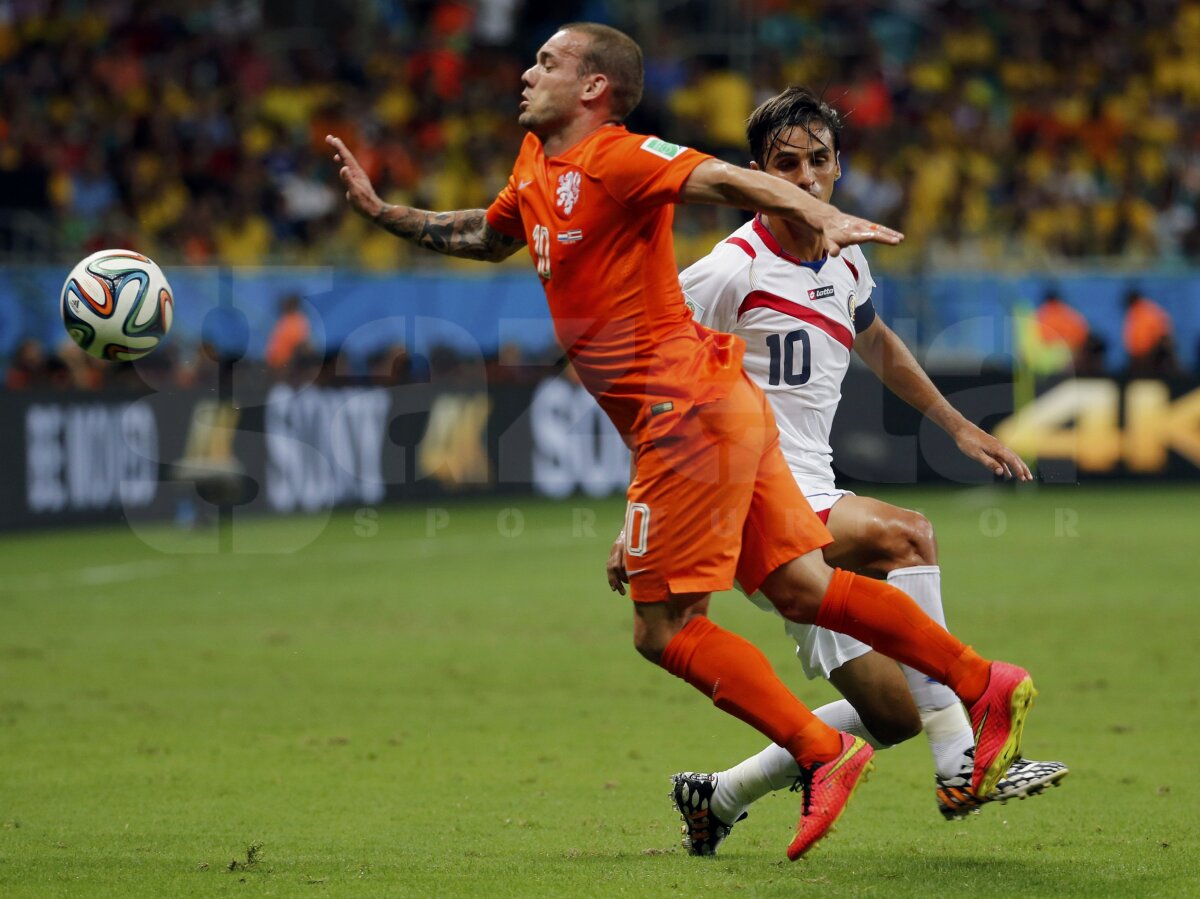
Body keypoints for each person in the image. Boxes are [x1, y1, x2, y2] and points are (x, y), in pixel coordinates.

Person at [328, 23, 1037, 860]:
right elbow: (487, 237)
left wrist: (815, 210)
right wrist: (384, 213)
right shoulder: (535, 167)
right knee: (806, 585)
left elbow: (721, 175)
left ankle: (826, 751)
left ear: (594, 87)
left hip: (685, 416)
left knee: (665, 629)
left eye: (547, 62)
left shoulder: (621, 156)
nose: (526, 71)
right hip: (720, 408)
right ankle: (981, 683)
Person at [604, 87, 1066, 854]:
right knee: (908, 536)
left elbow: (875, 339)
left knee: (892, 712)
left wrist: (956, 424)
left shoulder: (844, 255)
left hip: (816, 486)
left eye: (819, 160)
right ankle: (964, 758)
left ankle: (716, 797)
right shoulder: (728, 270)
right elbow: (660, 386)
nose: (808, 175)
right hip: (751, 503)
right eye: (787, 164)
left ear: (838, 166)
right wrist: (640, 519)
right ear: (760, 174)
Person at [1122, 288, 1178, 377]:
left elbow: (1161, 334)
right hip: (1140, 357)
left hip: (1152, 356)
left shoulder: (1147, 311)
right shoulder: (1135, 312)